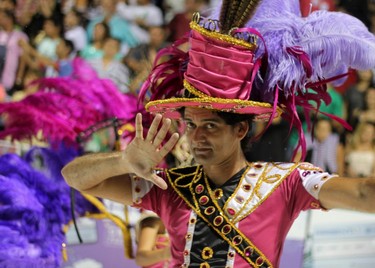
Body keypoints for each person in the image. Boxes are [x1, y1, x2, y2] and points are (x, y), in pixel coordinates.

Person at [62, 0, 375, 267]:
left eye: (210, 126)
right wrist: (124, 160)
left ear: (240, 129)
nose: (197, 137)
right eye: (192, 126)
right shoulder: (169, 187)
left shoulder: (287, 183)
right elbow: (74, 176)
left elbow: (365, 195)